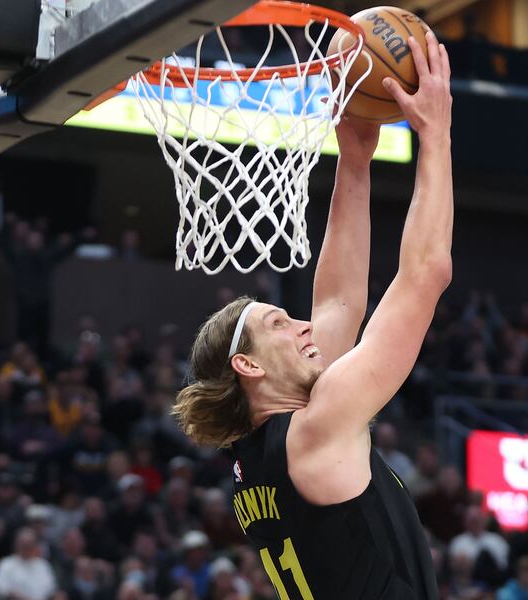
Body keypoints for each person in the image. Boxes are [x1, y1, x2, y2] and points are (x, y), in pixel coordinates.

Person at [172, 29, 453, 600]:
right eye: (280, 323)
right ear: (248, 365)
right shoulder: (314, 430)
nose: (302, 325)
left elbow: (338, 304)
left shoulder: (259, 456)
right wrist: (436, 133)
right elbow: (426, 275)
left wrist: (355, 161)